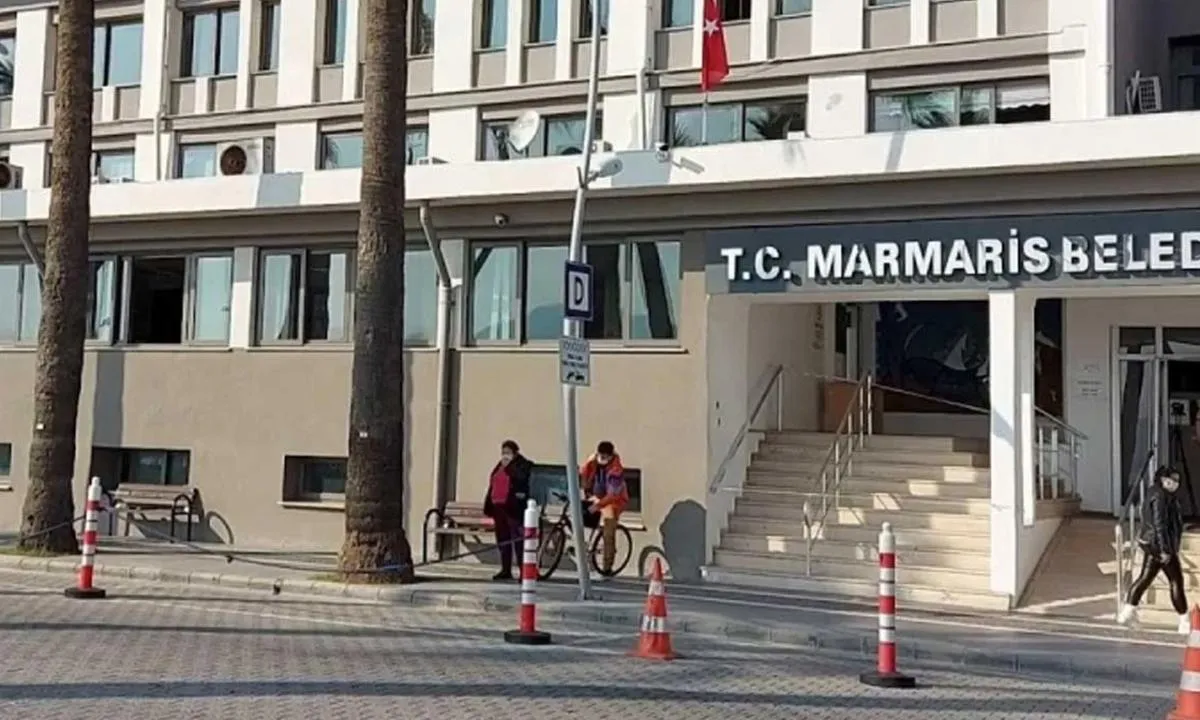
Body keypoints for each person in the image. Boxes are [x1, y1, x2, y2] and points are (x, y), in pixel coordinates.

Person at [1118, 465, 1189, 633]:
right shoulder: (1161, 496)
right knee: (1176, 581)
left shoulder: (1154, 492)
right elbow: (1160, 524)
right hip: (1161, 546)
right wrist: (1165, 550)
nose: (1175, 483)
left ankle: (1127, 611)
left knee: (1145, 577)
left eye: (1177, 480)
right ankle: (1184, 619)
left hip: (1152, 544)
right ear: (1163, 479)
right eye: (1172, 479)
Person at [483, 440, 532, 582]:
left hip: (513, 508)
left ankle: (523, 571)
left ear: (515, 453)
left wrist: (509, 467)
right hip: (498, 508)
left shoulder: (523, 464)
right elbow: (493, 482)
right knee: (502, 539)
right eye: (503, 452)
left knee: (517, 540)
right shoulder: (500, 465)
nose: (505, 455)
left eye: (508, 452)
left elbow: (521, 478)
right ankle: (505, 569)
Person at [580, 441, 629, 576]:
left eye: (605, 457)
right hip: (596, 495)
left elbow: (613, 494)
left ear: (611, 456)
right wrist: (587, 492)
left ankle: (607, 566)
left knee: (608, 533)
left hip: (613, 501)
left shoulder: (616, 470)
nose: (602, 459)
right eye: (601, 456)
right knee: (583, 517)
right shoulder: (592, 460)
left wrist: (597, 506)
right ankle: (585, 546)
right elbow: (583, 474)